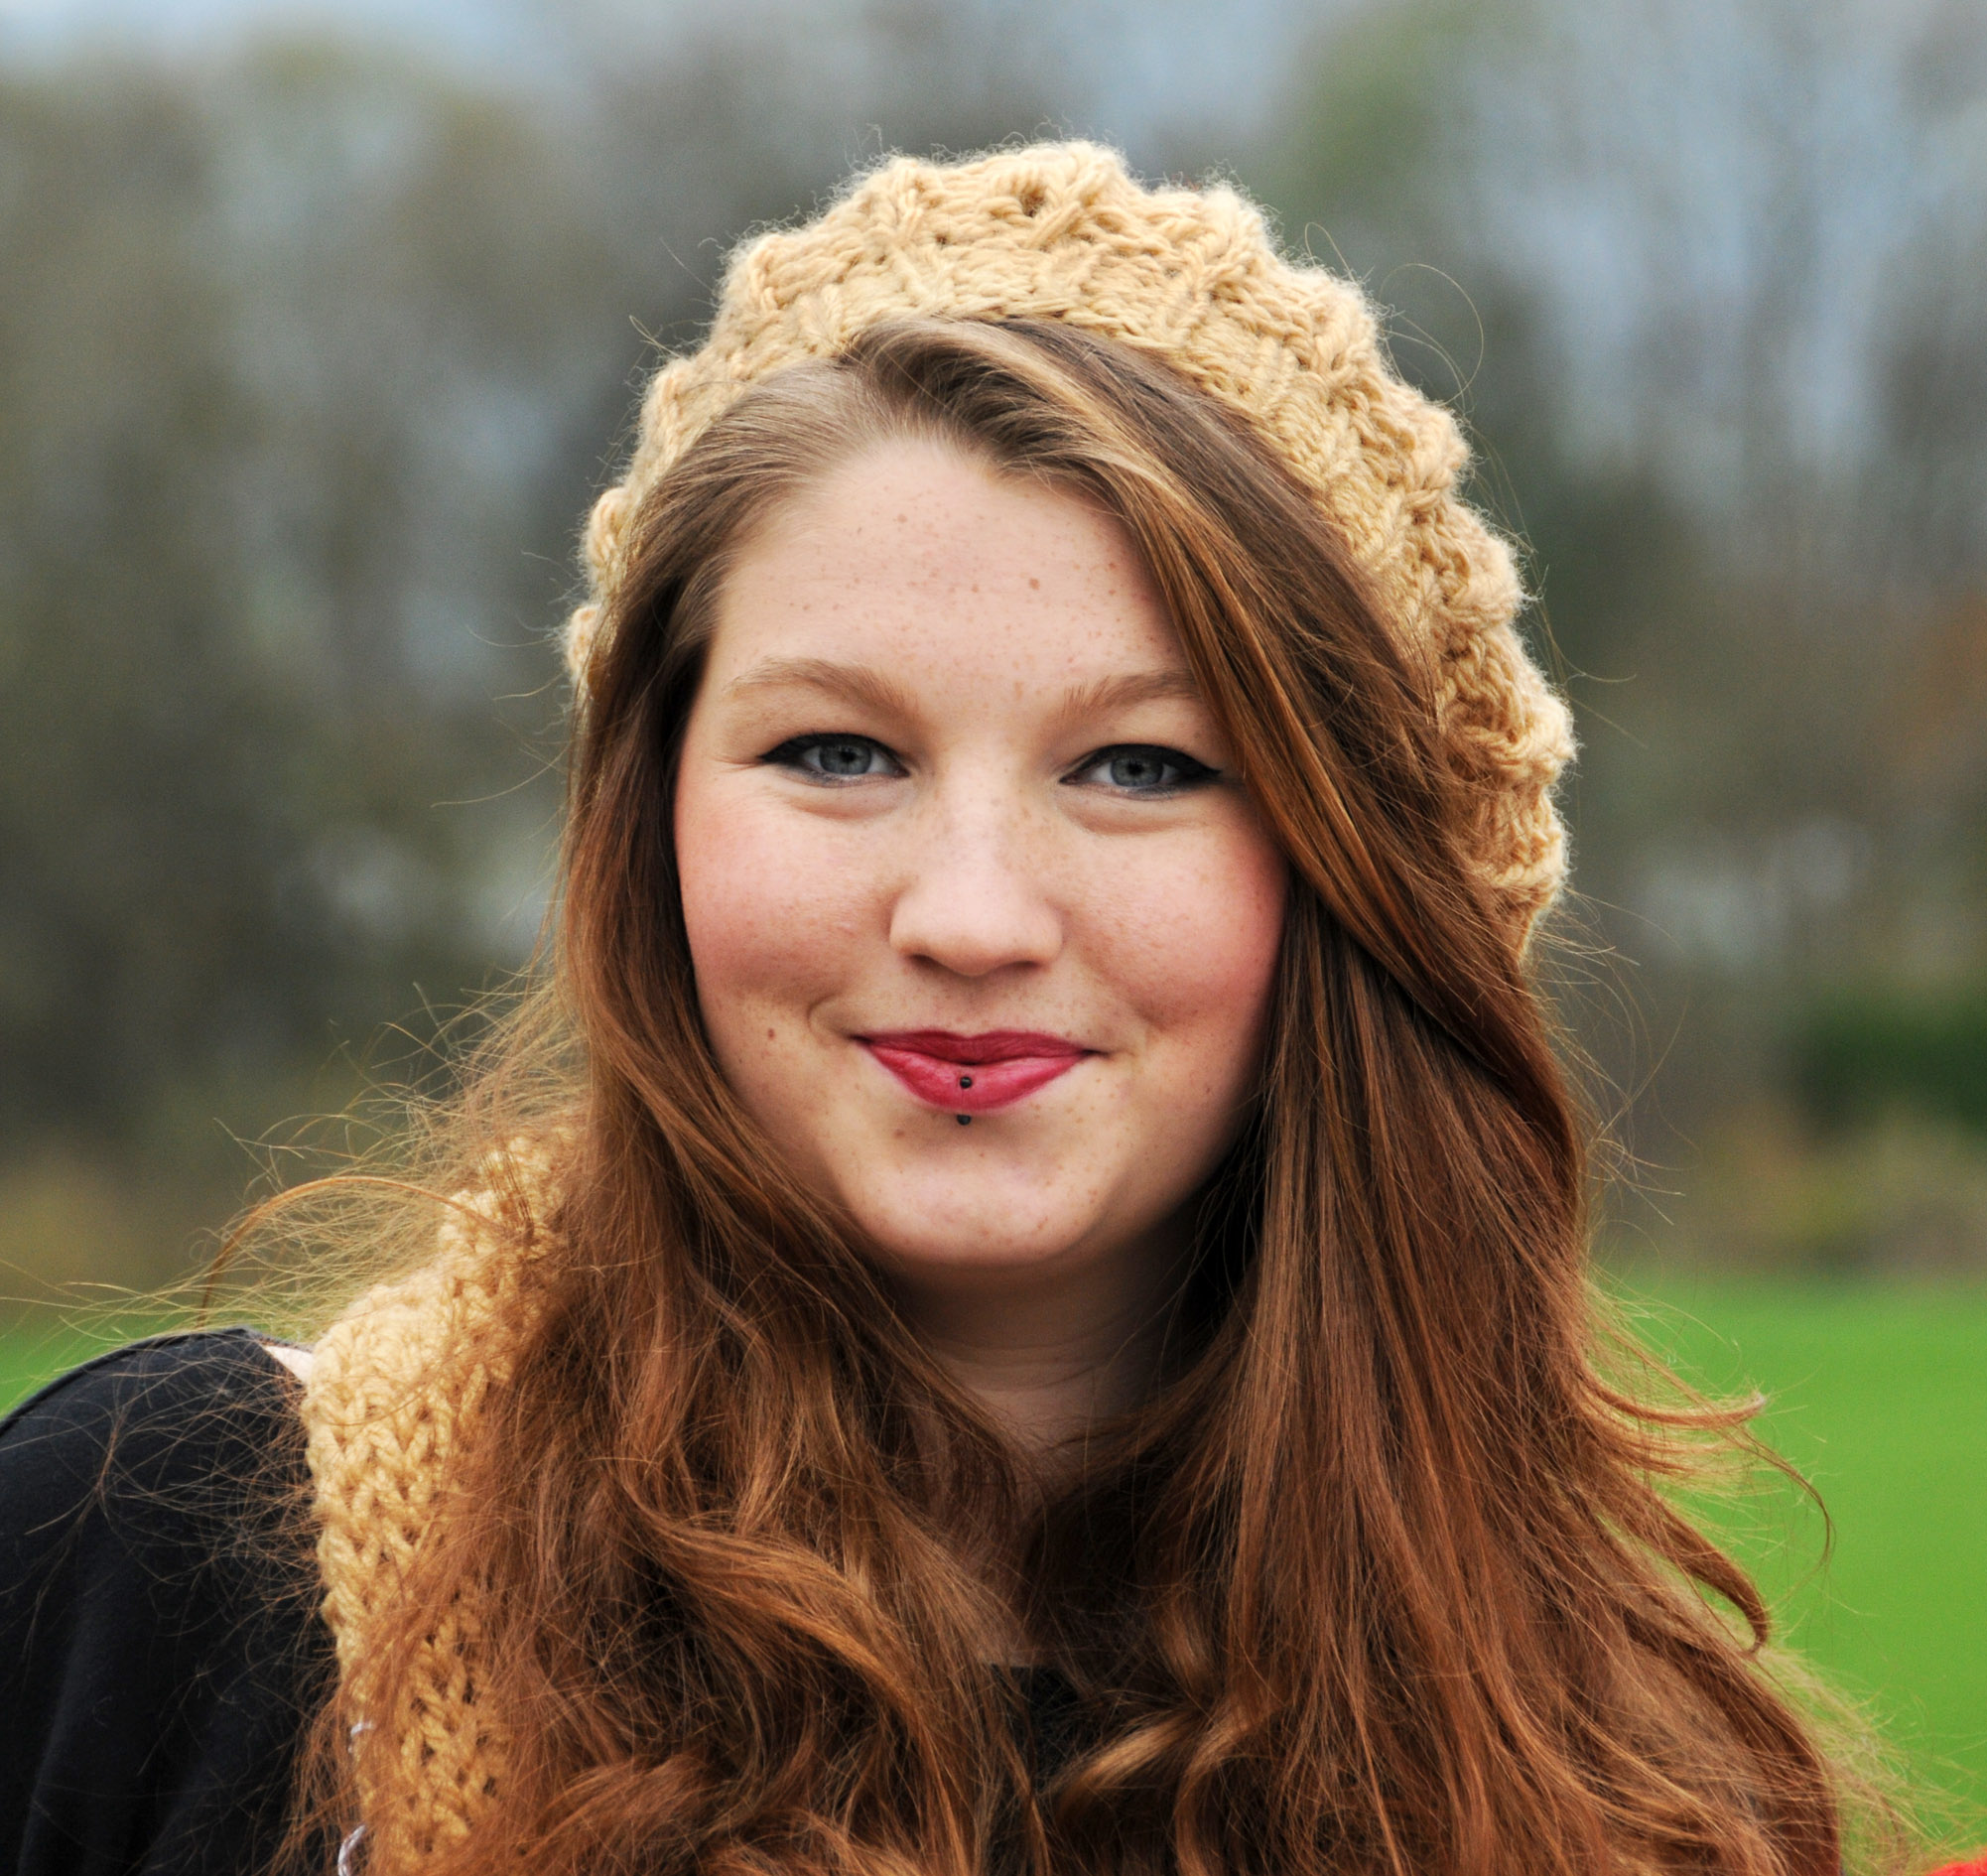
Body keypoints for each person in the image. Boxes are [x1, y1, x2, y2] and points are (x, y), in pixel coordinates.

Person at [0, 141, 1892, 1876]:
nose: (972, 915)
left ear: (1356, 875)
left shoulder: (1612, 1786)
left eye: (1140, 767)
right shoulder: (154, 1562)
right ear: (648, 815)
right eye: (837, 751)